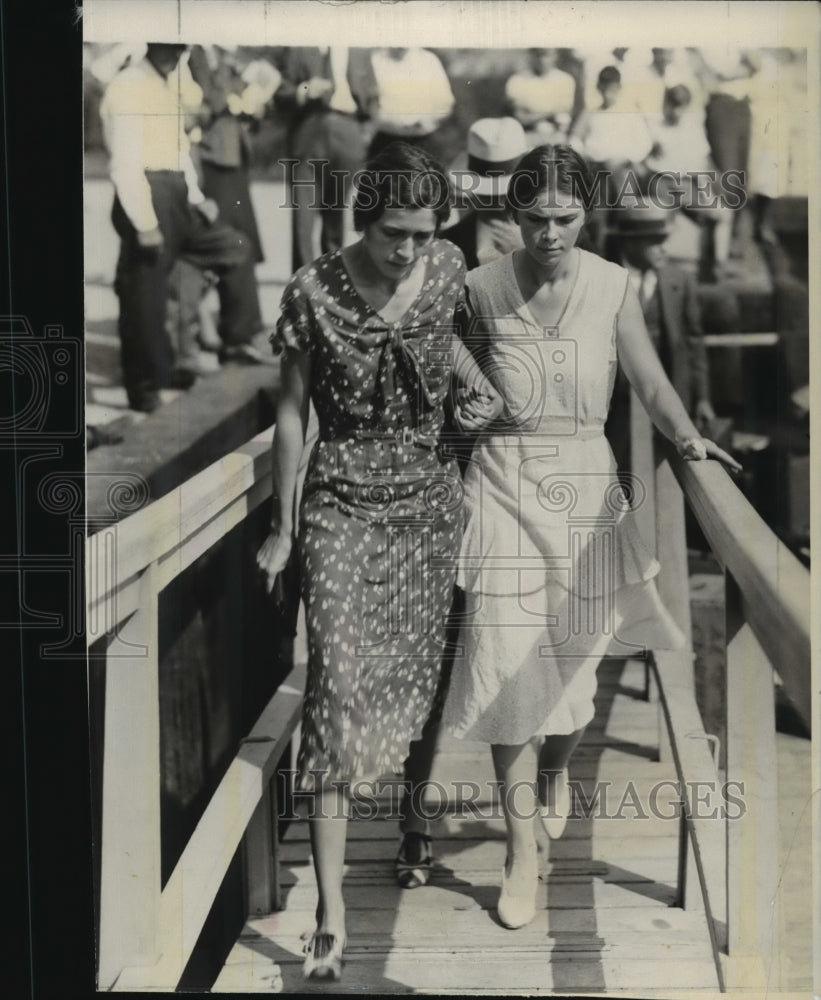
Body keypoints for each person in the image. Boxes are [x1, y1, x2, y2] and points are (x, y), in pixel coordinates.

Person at [440, 145, 740, 931]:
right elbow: (455, 387)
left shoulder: (610, 285)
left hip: (582, 488)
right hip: (501, 484)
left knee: (570, 683)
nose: (547, 234)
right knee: (504, 663)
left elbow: (647, 381)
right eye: (532, 218)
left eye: (564, 219)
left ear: (586, 215)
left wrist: (685, 439)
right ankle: (518, 852)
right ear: (512, 214)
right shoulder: (476, 289)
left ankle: (554, 773)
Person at [256, 143, 501, 980]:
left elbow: (455, 345)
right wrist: (283, 528)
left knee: (418, 678)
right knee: (335, 685)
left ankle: (411, 818)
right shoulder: (312, 290)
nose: (408, 249)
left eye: (422, 232)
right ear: (366, 219)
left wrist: (477, 387)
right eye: (394, 232)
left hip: (430, 503)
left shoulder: (447, 267)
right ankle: (331, 912)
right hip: (340, 503)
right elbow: (291, 414)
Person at [99, 42, 263, 413]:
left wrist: (194, 195)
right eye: (169, 47)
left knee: (235, 246)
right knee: (144, 297)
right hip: (145, 193)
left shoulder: (170, 83)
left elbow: (177, 149)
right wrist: (144, 223)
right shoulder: (127, 86)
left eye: (181, 47)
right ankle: (145, 390)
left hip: (176, 191)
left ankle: (234, 340)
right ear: (151, 44)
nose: (176, 54)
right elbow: (124, 163)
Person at [603, 199, 716, 474]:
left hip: (668, 400)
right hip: (616, 403)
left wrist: (702, 397)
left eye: (665, 239)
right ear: (629, 243)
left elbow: (693, 343)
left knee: (668, 471)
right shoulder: (603, 279)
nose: (664, 248)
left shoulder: (679, 280)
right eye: (654, 241)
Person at [187, 45, 281, 363]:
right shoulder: (199, 49)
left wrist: (254, 102)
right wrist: (233, 84)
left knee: (240, 242)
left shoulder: (224, 52)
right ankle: (234, 335)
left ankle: (236, 333)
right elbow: (211, 100)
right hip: (213, 157)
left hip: (232, 155)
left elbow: (244, 99)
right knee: (229, 241)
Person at [274, 46, 378, 271]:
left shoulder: (360, 52)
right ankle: (303, 284)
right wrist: (304, 90)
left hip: (348, 129)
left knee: (337, 215)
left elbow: (373, 99)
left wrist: (366, 134)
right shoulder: (299, 48)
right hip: (310, 130)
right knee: (303, 216)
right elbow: (280, 94)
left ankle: (332, 279)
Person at [443, 116, 528, 270]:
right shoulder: (449, 242)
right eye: (488, 195)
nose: (498, 203)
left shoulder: (557, 234)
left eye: (506, 193)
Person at [367, 48, 455, 161]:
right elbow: (369, 104)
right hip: (386, 142)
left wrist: (425, 120)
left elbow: (445, 102)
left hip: (422, 142)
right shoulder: (376, 60)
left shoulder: (428, 60)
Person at [505, 48, 580, 144]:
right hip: (527, 135)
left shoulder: (565, 80)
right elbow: (520, 117)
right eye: (538, 54)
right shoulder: (517, 80)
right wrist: (550, 113)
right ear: (531, 55)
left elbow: (564, 116)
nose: (542, 60)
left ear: (555, 55)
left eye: (546, 55)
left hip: (556, 135)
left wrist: (533, 115)